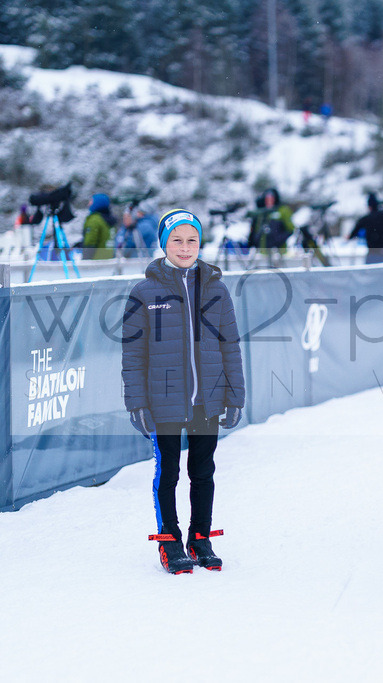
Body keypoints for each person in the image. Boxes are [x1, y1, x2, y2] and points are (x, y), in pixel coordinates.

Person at [121, 209, 245, 574]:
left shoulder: (216, 289)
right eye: (177, 239)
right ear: (164, 244)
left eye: (192, 239)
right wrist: (137, 403)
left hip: (207, 398)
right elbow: (132, 353)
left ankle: (200, 536)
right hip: (164, 401)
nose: (186, 247)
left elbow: (230, 345)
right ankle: (170, 539)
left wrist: (234, 395)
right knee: (169, 472)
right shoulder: (144, 292)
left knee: (203, 470)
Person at [349, 192, 383, 264]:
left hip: (373, 253)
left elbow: (353, 233)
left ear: (369, 206)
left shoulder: (366, 219)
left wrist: (349, 237)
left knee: (371, 274)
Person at [248, 187, 295, 258]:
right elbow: (255, 229)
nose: (269, 201)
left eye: (271, 198)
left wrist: (277, 240)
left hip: (279, 251)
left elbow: (290, 229)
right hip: (262, 252)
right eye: (267, 198)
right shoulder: (261, 212)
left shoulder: (282, 210)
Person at [81, 193, 116, 260]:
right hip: (109, 258)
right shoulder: (110, 221)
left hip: (96, 261)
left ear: (97, 204)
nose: (89, 204)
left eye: (91, 201)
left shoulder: (95, 220)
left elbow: (90, 242)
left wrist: (85, 261)